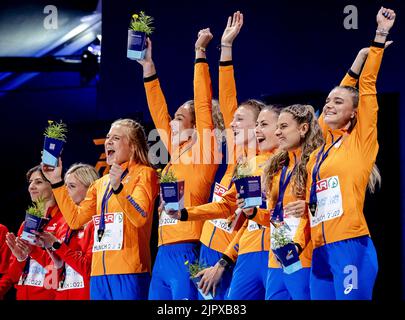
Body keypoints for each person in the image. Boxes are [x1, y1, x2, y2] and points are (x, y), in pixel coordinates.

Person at [303, 7, 396, 300]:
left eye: (337, 102)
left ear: (354, 114)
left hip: (350, 246)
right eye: (327, 100)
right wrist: (354, 65)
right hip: (319, 249)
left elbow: (366, 89)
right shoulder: (322, 145)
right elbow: (337, 99)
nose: (328, 105)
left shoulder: (361, 141)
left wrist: (378, 38)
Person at [137, 28, 222, 300]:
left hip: (188, 246)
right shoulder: (175, 153)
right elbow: (157, 110)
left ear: (195, 125)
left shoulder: (205, 149)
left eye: (179, 117)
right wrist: (148, 66)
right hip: (162, 251)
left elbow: (203, 103)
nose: (170, 121)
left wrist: (200, 54)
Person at [170, 105, 281, 299]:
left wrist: (224, 261)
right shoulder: (249, 166)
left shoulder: (289, 164)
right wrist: (184, 213)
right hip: (240, 253)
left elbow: (253, 218)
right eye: (257, 125)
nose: (231, 123)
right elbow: (228, 207)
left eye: (262, 124)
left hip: (271, 252)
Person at [42, 119, 159, 300]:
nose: (108, 141)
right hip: (98, 275)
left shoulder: (144, 174)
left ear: (133, 147)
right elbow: (75, 220)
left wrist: (120, 189)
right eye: (108, 137)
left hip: (129, 271)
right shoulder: (100, 183)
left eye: (116, 138)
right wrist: (56, 182)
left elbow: (140, 217)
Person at [240, 104, 324, 300]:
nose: (277, 132)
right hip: (276, 257)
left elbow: (326, 207)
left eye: (284, 126)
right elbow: (274, 217)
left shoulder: (315, 164)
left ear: (303, 129)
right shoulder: (276, 169)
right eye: (277, 127)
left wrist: (297, 243)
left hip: (302, 256)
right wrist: (253, 213)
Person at [0, 165, 67, 300]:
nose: (31, 187)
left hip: (51, 295)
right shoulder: (27, 224)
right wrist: (20, 258)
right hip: (23, 295)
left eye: (38, 182)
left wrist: (33, 252)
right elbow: (13, 275)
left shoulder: (65, 220)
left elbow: (62, 265)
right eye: (30, 182)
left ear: (53, 185)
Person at [34, 163, 98, 300]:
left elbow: (89, 270)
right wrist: (43, 251)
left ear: (90, 189)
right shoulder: (64, 224)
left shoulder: (97, 224)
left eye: (72, 186)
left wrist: (57, 245)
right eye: (66, 186)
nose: (66, 191)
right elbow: (55, 271)